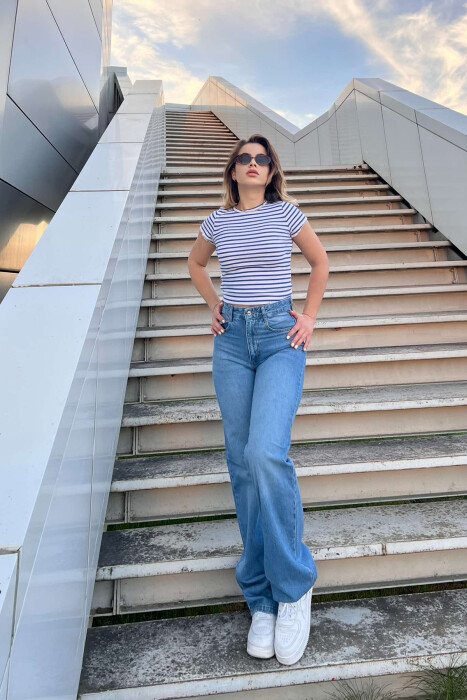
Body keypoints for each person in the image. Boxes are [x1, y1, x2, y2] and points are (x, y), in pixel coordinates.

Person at [187, 134, 329, 666]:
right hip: (231, 343)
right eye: (243, 158)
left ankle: (293, 587)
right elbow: (195, 264)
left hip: (278, 337)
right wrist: (214, 304)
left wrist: (308, 316)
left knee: (265, 452)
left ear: (271, 171)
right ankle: (260, 598)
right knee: (242, 464)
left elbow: (320, 262)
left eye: (261, 159)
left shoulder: (285, 213)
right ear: (233, 170)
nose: (252, 163)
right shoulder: (216, 222)